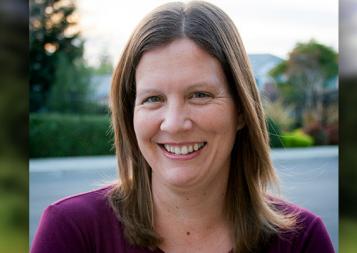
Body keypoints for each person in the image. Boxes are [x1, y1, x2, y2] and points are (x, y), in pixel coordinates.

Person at [31, 1, 335, 253]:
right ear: (130, 115)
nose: (174, 123)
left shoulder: (301, 241)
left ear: (242, 110)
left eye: (199, 95)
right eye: (153, 99)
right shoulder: (72, 234)